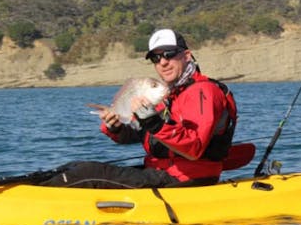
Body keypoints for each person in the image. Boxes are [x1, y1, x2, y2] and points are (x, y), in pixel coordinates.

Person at [39, 29, 237, 188]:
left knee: (87, 173)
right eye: (156, 58)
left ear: (186, 56)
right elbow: (140, 135)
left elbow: (194, 149)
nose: (163, 62)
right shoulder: (170, 94)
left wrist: (154, 122)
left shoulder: (203, 91)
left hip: (187, 179)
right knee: (74, 167)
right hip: (161, 173)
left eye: (169, 54)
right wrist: (116, 127)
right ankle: (34, 184)